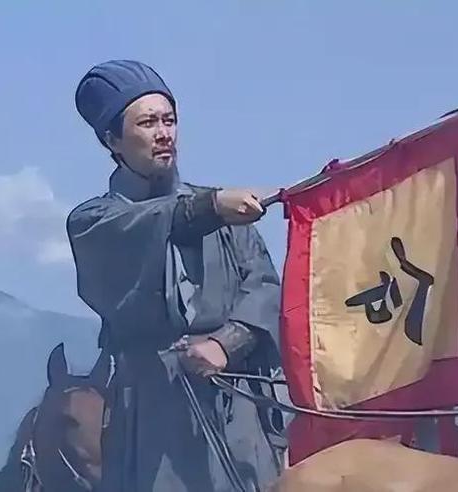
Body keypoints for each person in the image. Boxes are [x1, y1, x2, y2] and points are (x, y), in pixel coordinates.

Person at [67, 59, 285, 492]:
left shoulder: (226, 214)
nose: (164, 133)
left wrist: (226, 343)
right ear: (112, 139)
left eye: (169, 120)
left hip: (234, 407)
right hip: (150, 414)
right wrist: (212, 207)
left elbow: (264, 288)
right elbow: (154, 223)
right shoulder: (94, 222)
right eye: (148, 123)